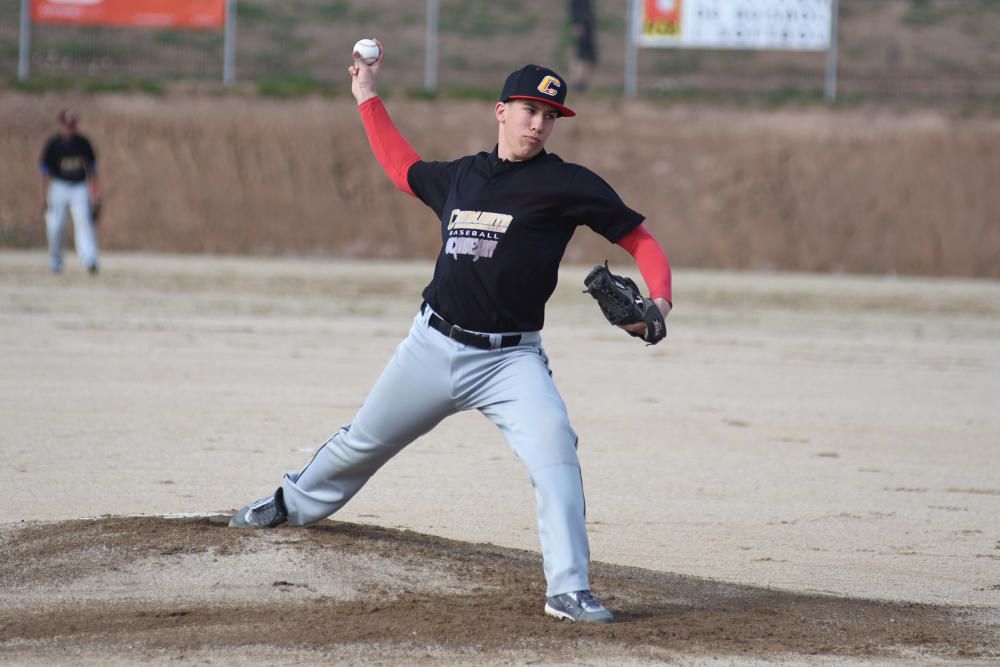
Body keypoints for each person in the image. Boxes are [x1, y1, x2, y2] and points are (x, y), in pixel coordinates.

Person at [229, 40, 673, 624]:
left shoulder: (567, 184)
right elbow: (400, 166)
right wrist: (366, 95)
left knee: (555, 451)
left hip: (510, 362)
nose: (538, 123)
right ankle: (289, 502)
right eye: (528, 110)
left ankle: (568, 589)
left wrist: (659, 300)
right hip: (432, 345)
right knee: (364, 440)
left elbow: (640, 239)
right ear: (501, 111)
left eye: (549, 116)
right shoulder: (463, 177)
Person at [39, 108, 102, 275]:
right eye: (67, 125)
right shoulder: (53, 144)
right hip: (58, 186)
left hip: (79, 187)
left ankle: (90, 259)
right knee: (55, 225)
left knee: (84, 222)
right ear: (61, 124)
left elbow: (92, 171)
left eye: (73, 125)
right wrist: (43, 195)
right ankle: (55, 260)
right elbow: (45, 172)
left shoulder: (83, 143)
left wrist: (95, 195)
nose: (70, 128)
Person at [568, 0, 598, 92]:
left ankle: (583, 82)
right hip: (581, 25)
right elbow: (574, 8)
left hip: (588, 25)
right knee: (580, 55)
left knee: (590, 56)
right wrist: (576, 23)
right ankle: (577, 80)